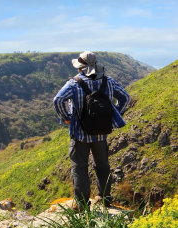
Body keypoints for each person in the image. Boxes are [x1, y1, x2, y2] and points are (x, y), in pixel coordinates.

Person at [53, 51, 131, 210]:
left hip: (79, 134)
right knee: (102, 165)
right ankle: (105, 198)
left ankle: (81, 203)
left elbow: (58, 100)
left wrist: (67, 117)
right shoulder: (108, 82)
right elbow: (125, 97)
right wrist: (115, 113)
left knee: (79, 167)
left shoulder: (74, 83)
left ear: (80, 68)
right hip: (102, 132)